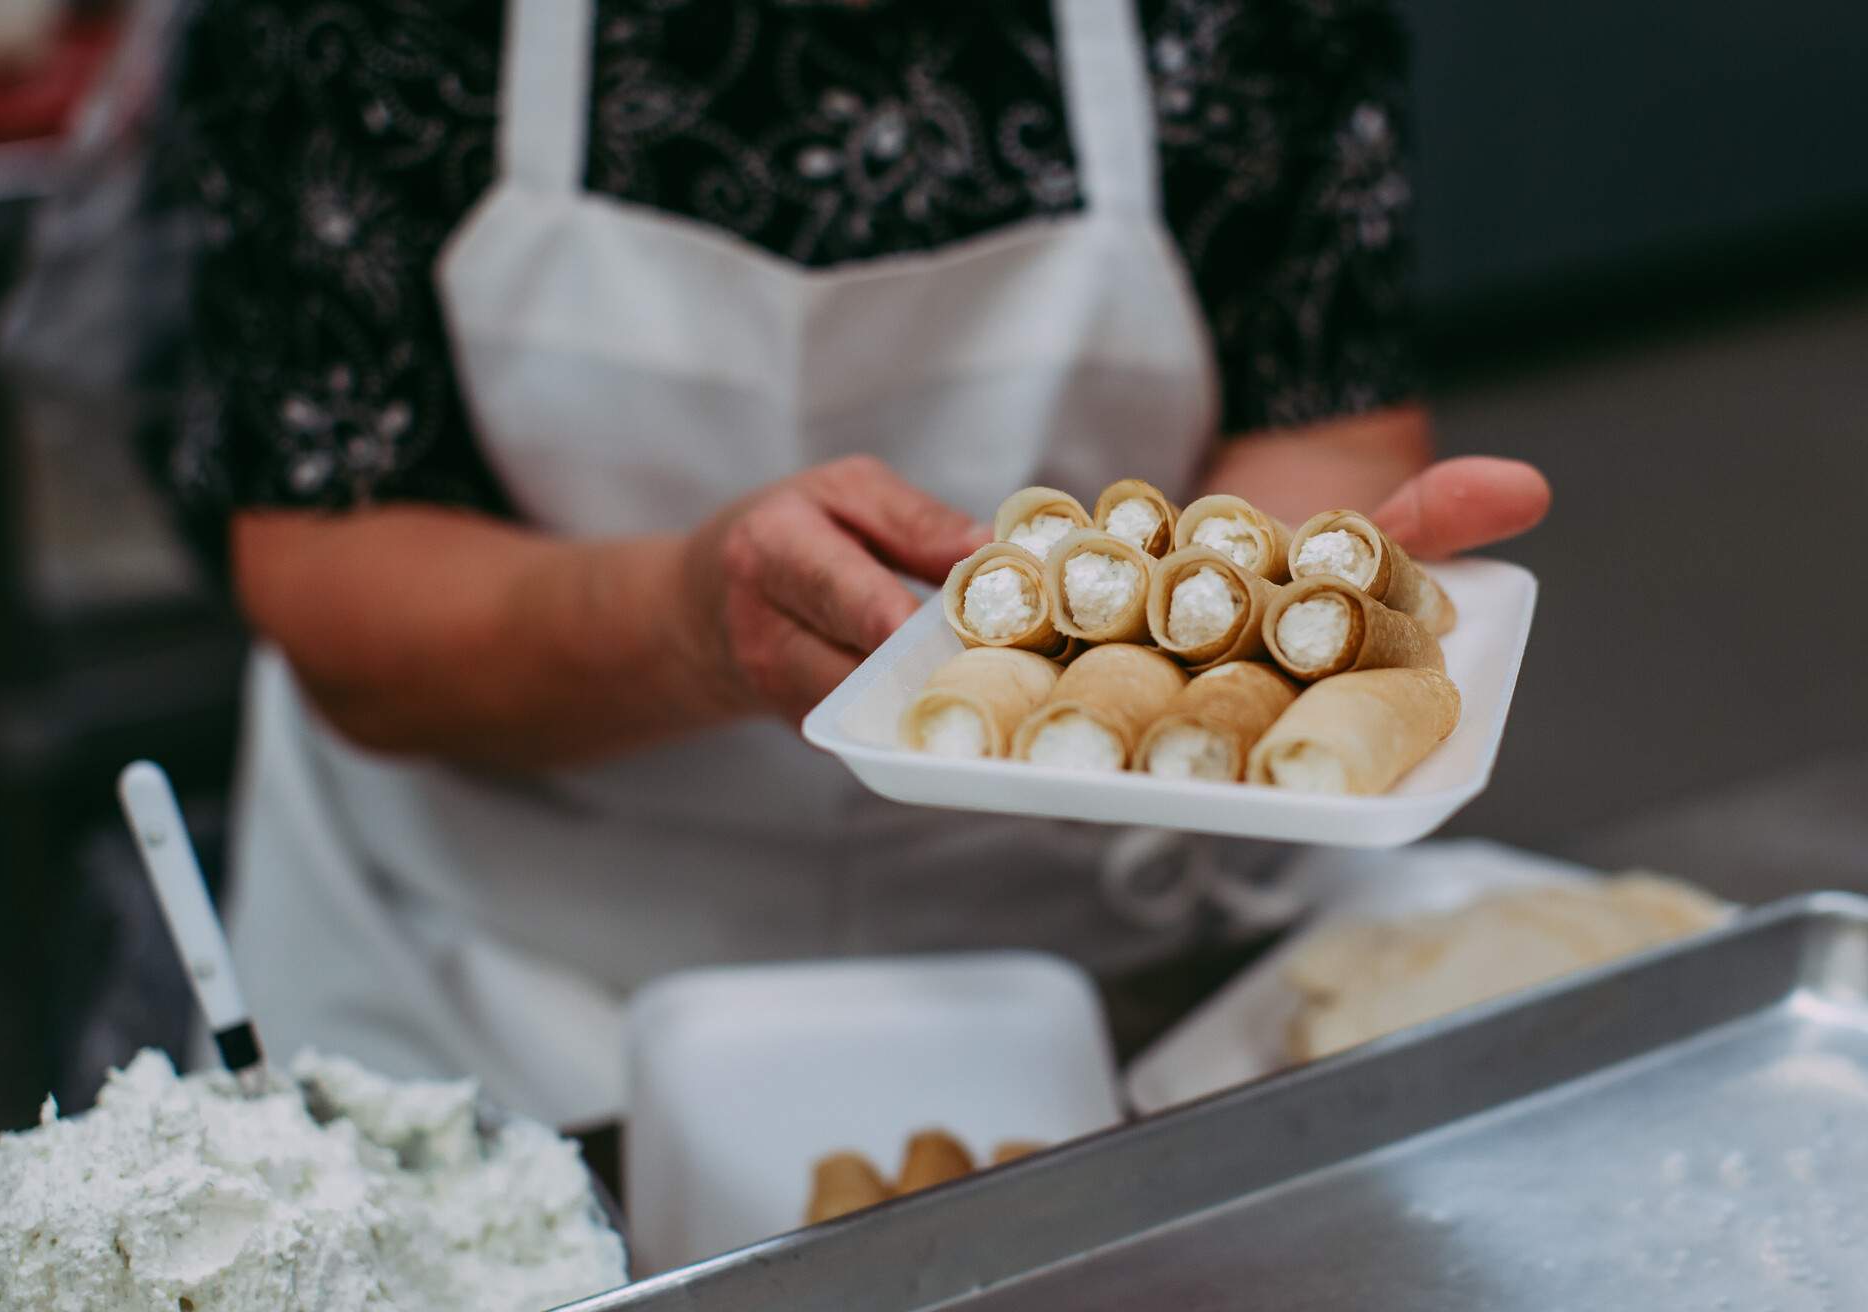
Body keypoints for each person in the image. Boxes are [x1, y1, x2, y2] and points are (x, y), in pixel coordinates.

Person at [160, 0, 1549, 1128]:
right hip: (506, 990)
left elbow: (1321, 423)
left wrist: (1262, 608)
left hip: (1114, 958)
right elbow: (332, 564)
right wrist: (681, 624)